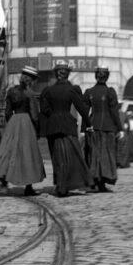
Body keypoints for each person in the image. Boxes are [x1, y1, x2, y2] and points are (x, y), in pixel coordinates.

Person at [39, 63, 93, 197]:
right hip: (68, 125)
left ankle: (60, 185)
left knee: (56, 157)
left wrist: (52, 117)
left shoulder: (48, 91)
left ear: (56, 74)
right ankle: (67, 184)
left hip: (53, 126)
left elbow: (44, 110)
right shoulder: (71, 90)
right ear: (67, 74)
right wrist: (88, 124)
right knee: (71, 156)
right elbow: (81, 108)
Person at [0, 66, 46, 196]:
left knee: (9, 150)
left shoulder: (11, 91)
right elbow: (34, 114)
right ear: (31, 80)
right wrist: (37, 130)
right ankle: (29, 186)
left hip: (14, 121)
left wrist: (12, 123)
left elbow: (7, 112)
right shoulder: (30, 94)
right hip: (26, 123)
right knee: (28, 153)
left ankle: (3, 178)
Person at [83, 68, 125, 193]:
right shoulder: (110, 92)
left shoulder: (89, 92)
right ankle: (102, 183)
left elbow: (85, 112)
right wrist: (120, 128)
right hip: (107, 127)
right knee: (106, 155)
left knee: (94, 154)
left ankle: (94, 181)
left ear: (96, 77)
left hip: (92, 126)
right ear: (107, 78)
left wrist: (82, 129)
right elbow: (114, 112)